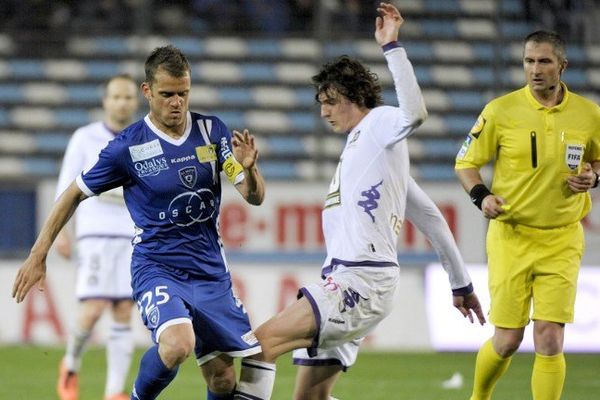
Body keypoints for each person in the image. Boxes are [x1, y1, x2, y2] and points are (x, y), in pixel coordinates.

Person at [232, 3, 486, 399]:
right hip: (354, 282)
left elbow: (415, 112)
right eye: (320, 102)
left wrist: (392, 47)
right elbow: (433, 218)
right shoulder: (370, 151)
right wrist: (461, 283)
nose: (323, 112)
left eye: (330, 101)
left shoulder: (379, 122)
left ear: (354, 96)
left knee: (261, 347)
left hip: (360, 282)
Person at [12, 45, 266, 400]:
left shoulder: (212, 131)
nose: (177, 102)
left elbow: (253, 195)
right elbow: (72, 193)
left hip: (209, 270)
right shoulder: (126, 147)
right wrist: (39, 254)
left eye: (183, 93)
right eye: (167, 94)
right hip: (157, 266)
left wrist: (250, 170)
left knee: (222, 379)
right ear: (147, 92)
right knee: (178, 343)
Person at [455, 30, 600, 400]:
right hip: (511, 237)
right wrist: (481, 196)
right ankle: (479, 397)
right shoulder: (500, 111)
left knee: (550, 336)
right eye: (529, 61)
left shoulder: (589, 113)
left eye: (544, 61)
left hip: (562, 236)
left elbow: (598, 159)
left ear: (562, 66)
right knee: (506, 340)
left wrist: (593, 175)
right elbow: (466, 162)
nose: (535, 70)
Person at [55, 74, 139, 400]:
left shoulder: (143, 138)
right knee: (92, 309)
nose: (122, 102)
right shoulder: (84, 138)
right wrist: (62, 231)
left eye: (128, 97)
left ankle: (115, 391)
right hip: (94, 233)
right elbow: (66, 186)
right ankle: (71, 363)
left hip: (131, 234)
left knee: (122, 310)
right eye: (116, 96)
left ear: (137, 100)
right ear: (105, 100)